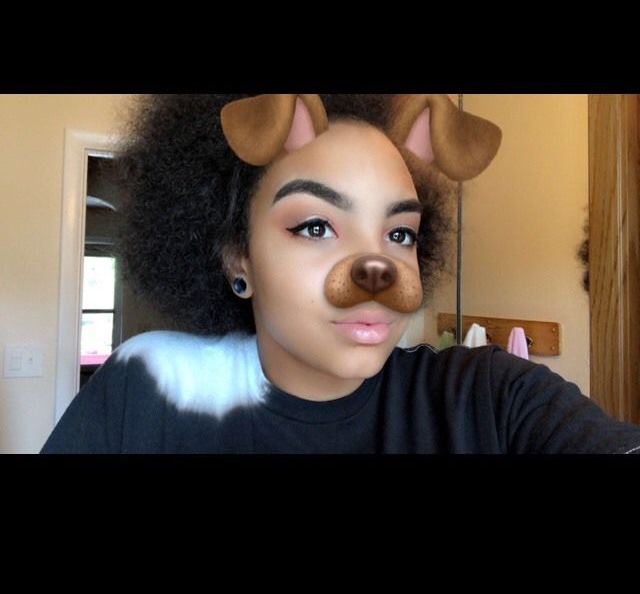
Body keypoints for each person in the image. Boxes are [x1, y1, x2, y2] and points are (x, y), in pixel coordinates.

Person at [42, 94, 640, 454]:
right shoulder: (150, 385)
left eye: (399, 233)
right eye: (315, 226)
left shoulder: (486, 396)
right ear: (237, 257)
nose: (376, 267)